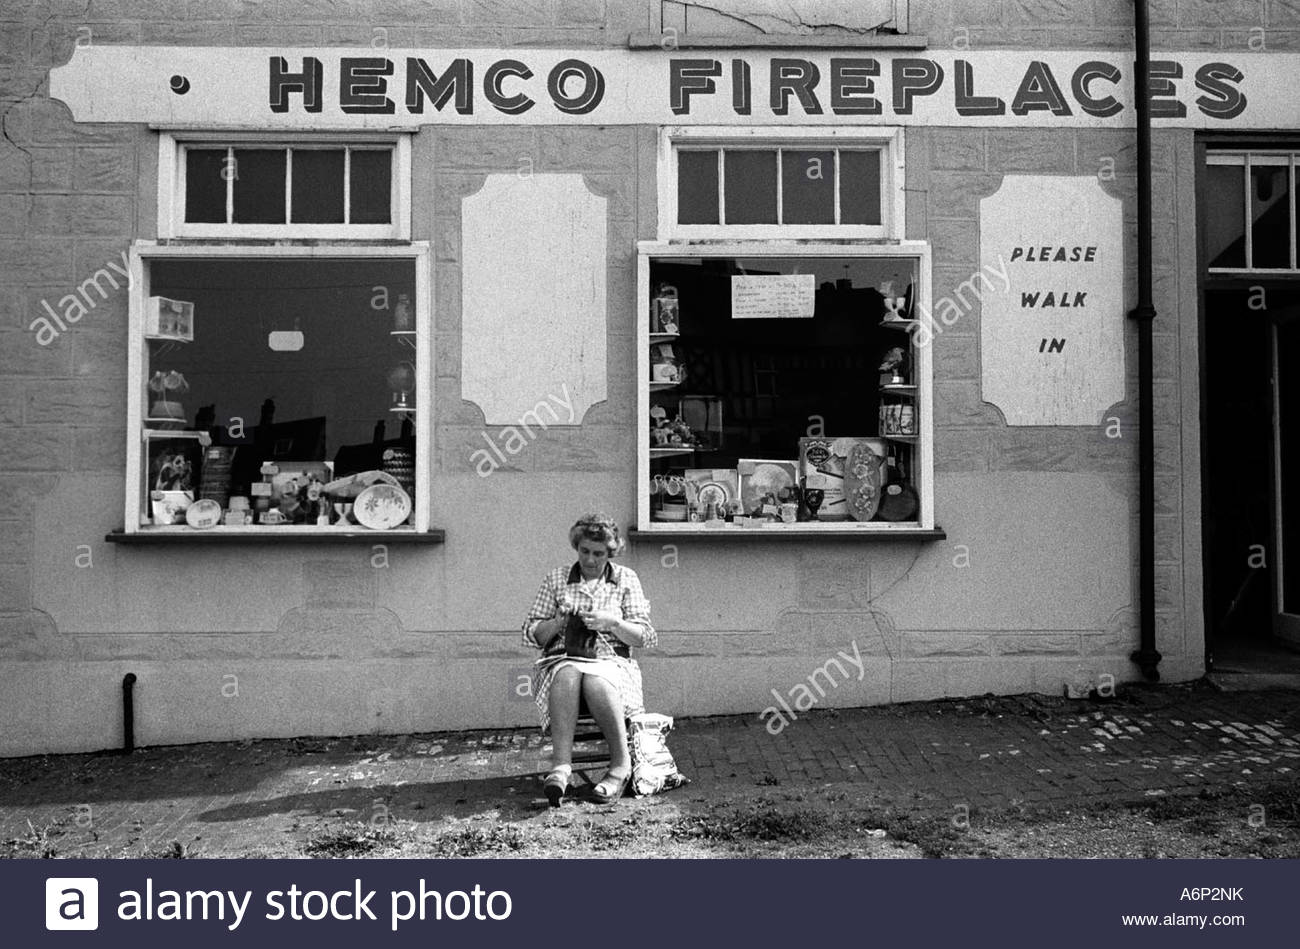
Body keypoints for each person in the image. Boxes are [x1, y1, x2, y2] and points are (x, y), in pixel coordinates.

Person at [522, 513, 656, 805]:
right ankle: (560, 768)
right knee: (569, 673)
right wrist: (558, 621)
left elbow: (645, 637)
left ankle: (620, 766)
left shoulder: (625, 579)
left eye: (599, 553)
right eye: (585, 551)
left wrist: (613, 622)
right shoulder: (557, 578)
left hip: (612, 662)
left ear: (610, 552)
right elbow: (534, 635)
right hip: (565, 659)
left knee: (596, 680)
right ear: (576, 547)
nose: (591, 560)